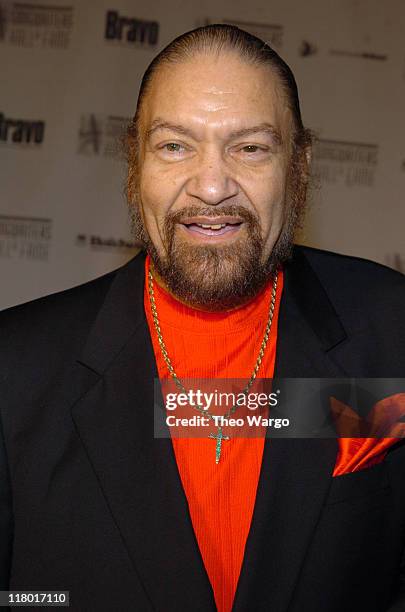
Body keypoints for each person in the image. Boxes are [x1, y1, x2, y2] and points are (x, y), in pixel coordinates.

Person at [1, 24, 405, 612]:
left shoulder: (390, 329)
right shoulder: (16, 372)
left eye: (250, 148)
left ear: (300, 167)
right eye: (174, 145)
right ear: (134, 160)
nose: (212, 186)